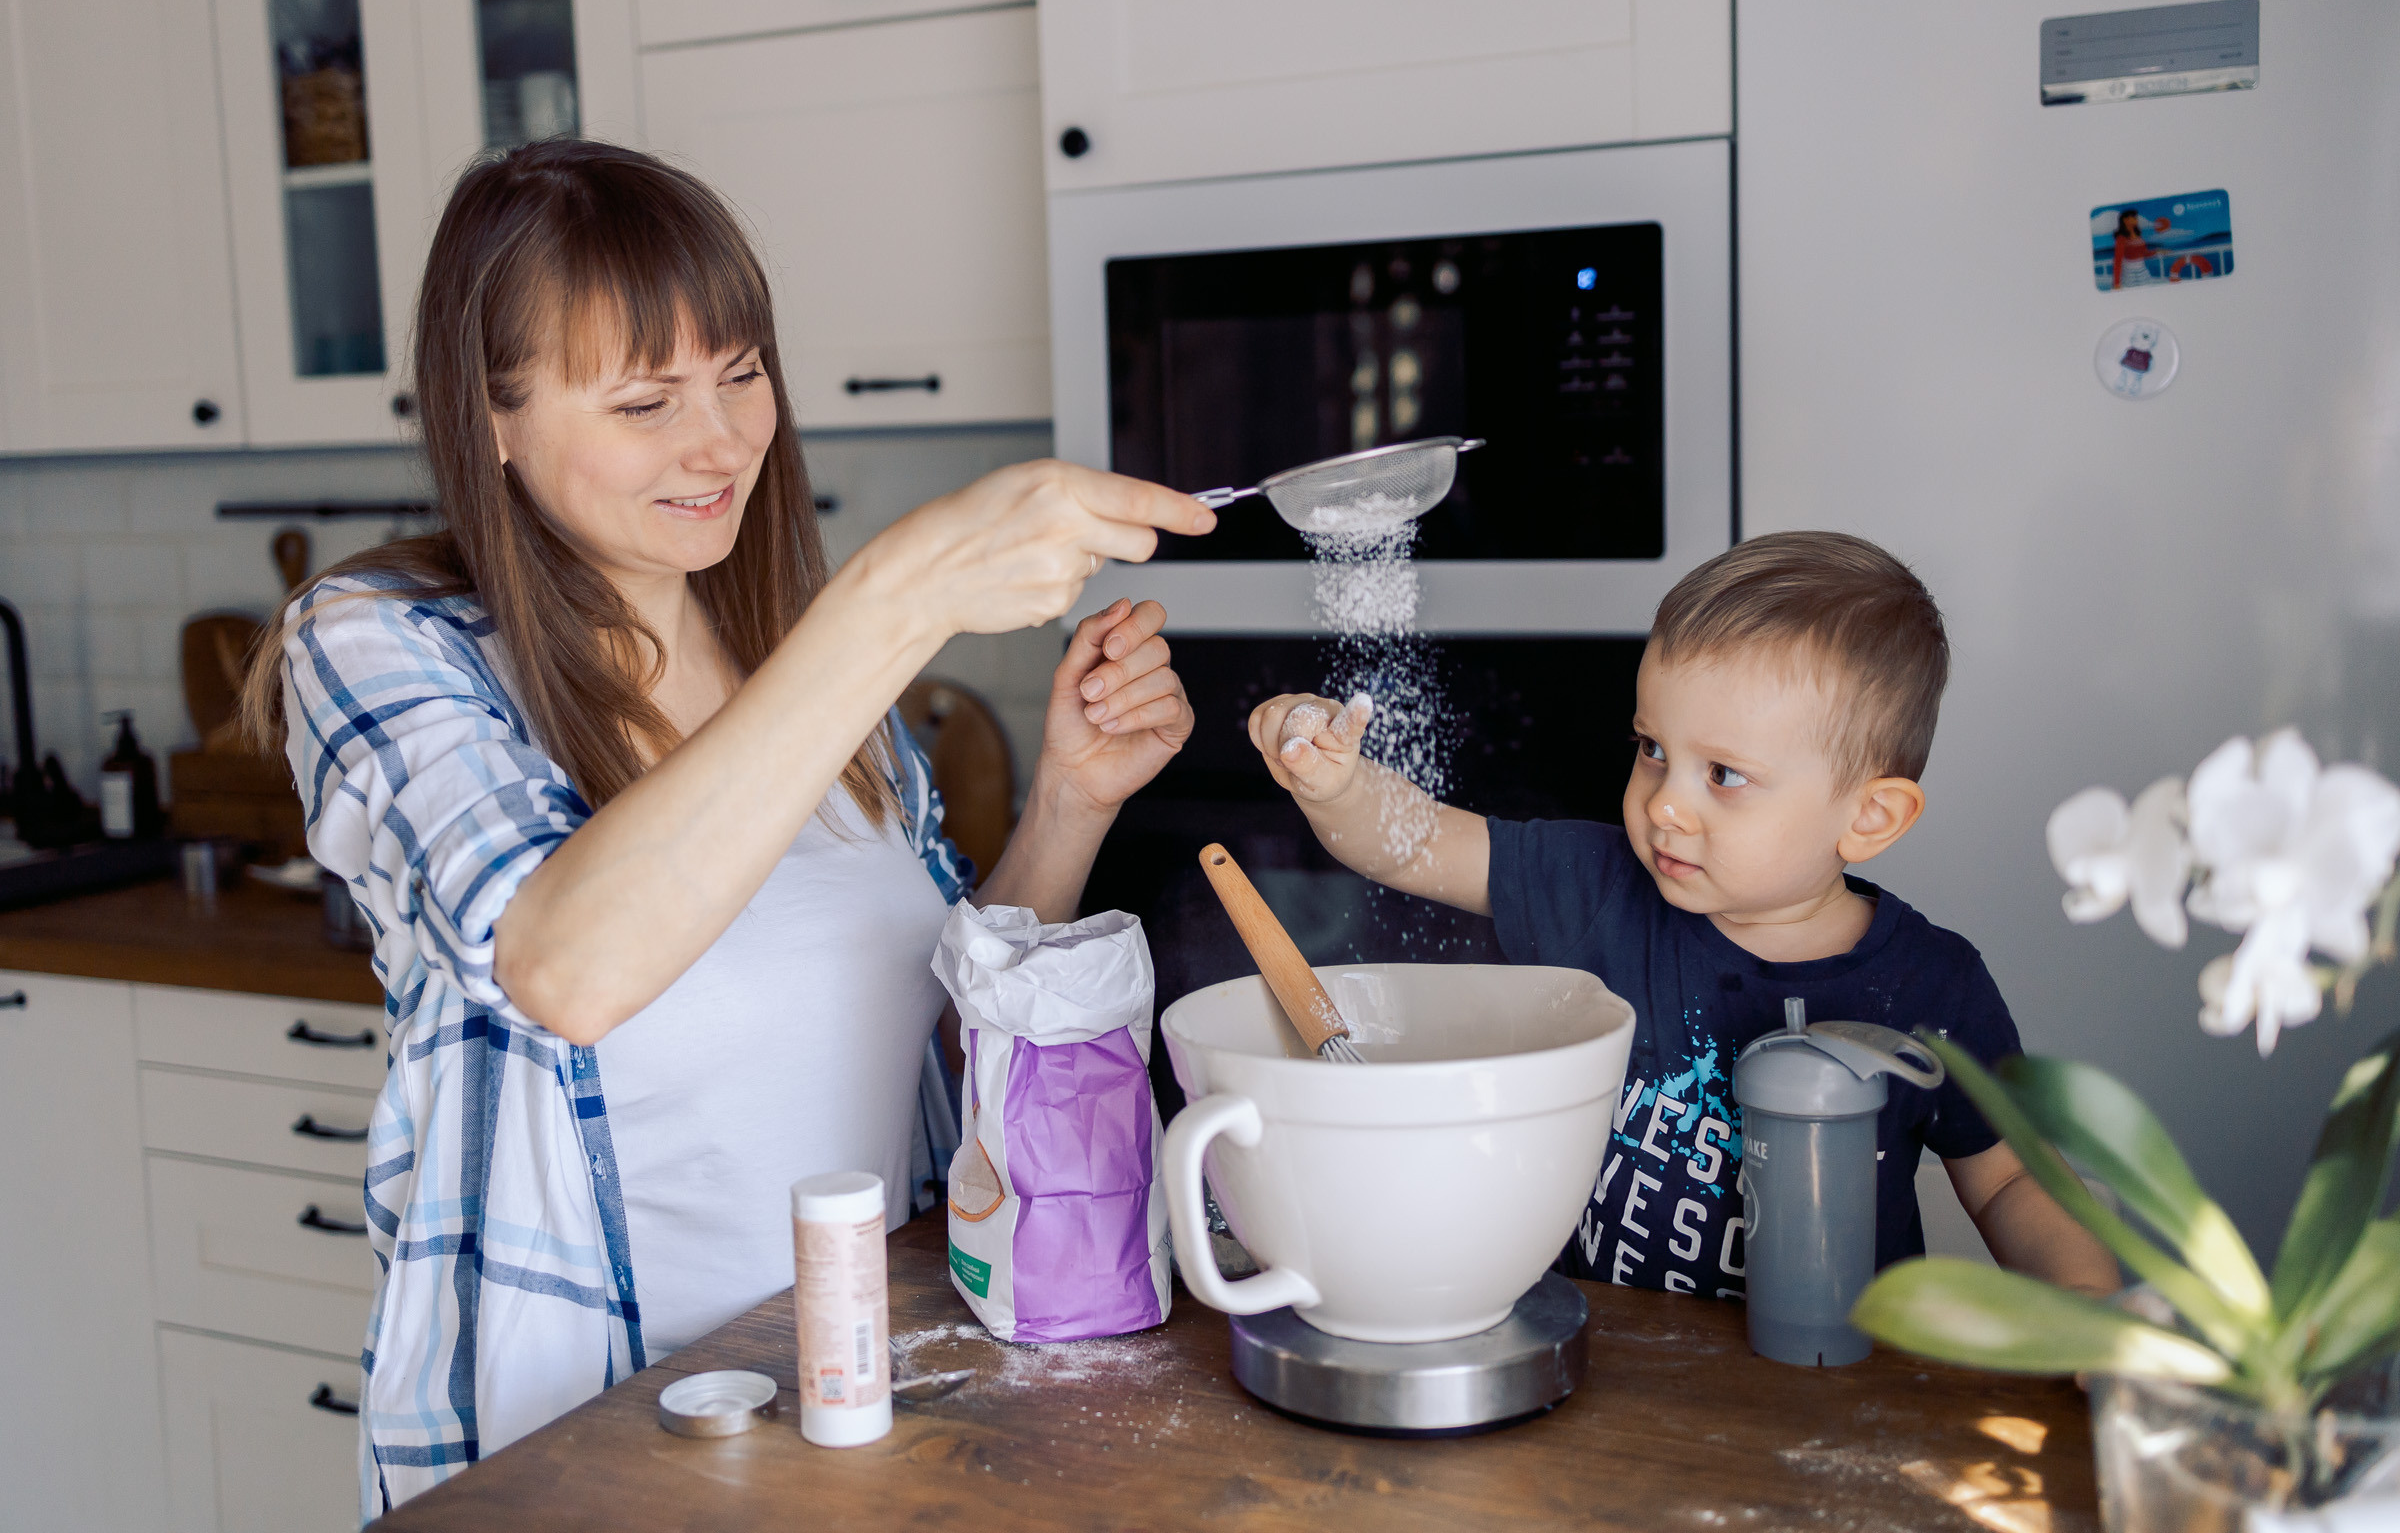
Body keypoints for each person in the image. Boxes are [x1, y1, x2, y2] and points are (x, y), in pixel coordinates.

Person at [239, 140, 1215, 1516]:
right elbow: (564, 965)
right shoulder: (382, 646)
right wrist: (895, 599)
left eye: (743, 374)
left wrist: (1069, 802)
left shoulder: (793, 663)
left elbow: (932, 1045)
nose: (719, 444)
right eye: (644, 401)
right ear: (491, 416)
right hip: (578, 1458)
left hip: (862, 1423)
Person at [1242, 531, 2119, 1302]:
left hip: (1829, 1404)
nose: (1665, 805)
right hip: (1598, 1373)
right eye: (1654, 750)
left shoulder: (1933, 985)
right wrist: (1341, 785)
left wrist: (2090, 1304)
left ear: (1869, 818)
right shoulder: (1595, 886)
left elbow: (2010, 1182)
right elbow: (1411, 843)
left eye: (1724, 776)